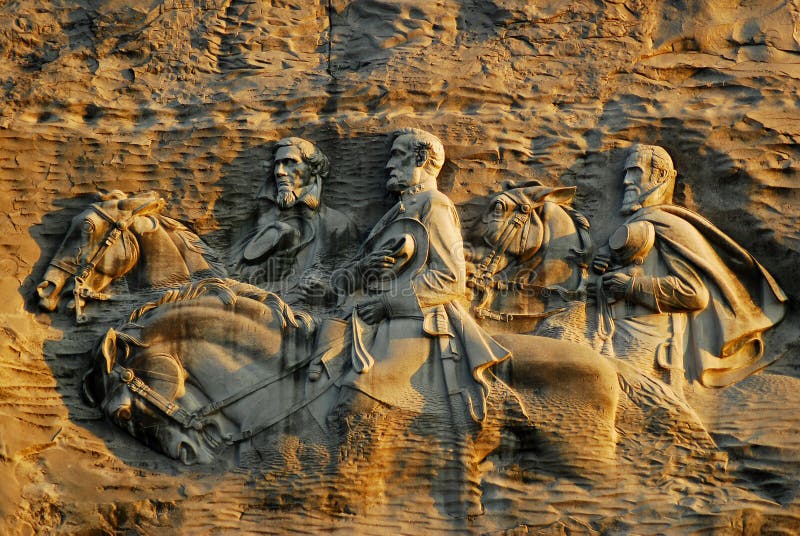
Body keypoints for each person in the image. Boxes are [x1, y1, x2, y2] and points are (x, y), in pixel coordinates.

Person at [325, 127, 510, 425]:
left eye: (397, 156)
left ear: (421, 158)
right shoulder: (396, 212)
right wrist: (363, 268)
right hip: (366, 318)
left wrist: (388, 304)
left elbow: (450, 277)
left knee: (354, 402)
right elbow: (351, 273)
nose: (388, 165)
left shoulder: (433, 203)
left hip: (418, 321)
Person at [591, 144, 787, 391]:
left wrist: (631, 286)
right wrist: (601, 271)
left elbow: (693, 294)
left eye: (635, 172)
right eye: (625, 174)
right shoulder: (639, 224)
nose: (627, 181)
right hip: (612, 338)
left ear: (660, 177)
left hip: (649, 351)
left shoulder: (669, 225)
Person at [232, 137, 358, 304]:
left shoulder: (337, 224)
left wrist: (328, 294)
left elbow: (356, 278)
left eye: (290, 162)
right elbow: (234, 273)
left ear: (313, 168)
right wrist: (264, 271)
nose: (279, 172)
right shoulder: (262, 217)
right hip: (264, 305)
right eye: (277, 164)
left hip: (307, 314)